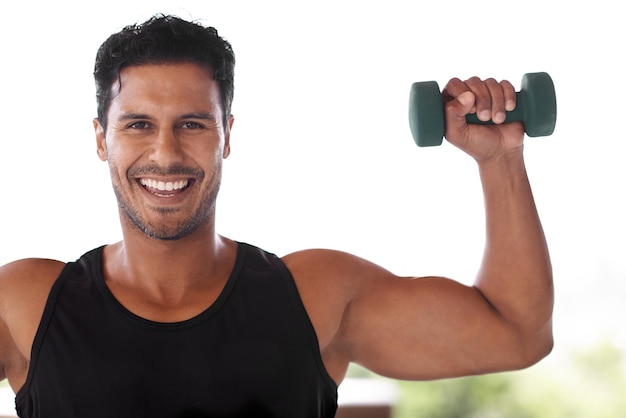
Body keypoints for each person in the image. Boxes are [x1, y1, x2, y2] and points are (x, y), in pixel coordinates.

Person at [0, 14, 554, 418]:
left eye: (193, 124)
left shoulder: (316, 296)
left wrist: (500, 159)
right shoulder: (26, 304)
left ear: (227, 136)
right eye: (138, 124)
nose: (165, 153)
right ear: (102, 139)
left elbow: (517, 333)